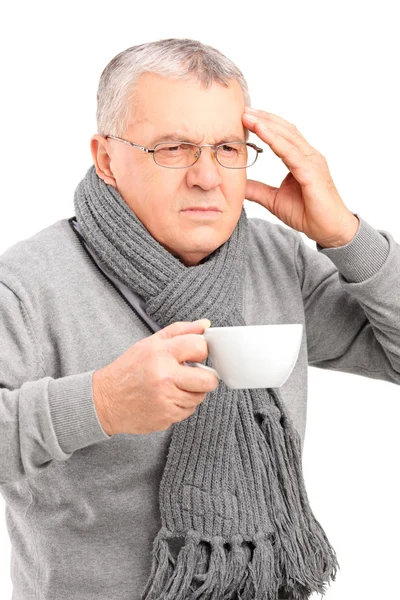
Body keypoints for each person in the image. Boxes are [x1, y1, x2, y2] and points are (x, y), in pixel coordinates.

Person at [0, 38, 399, 600]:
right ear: (107, 158)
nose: (207, 177)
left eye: (228, 149)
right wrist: (100, 403)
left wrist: (346, 236)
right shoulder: (26, 283)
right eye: (173, 148)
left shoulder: (276, 259)